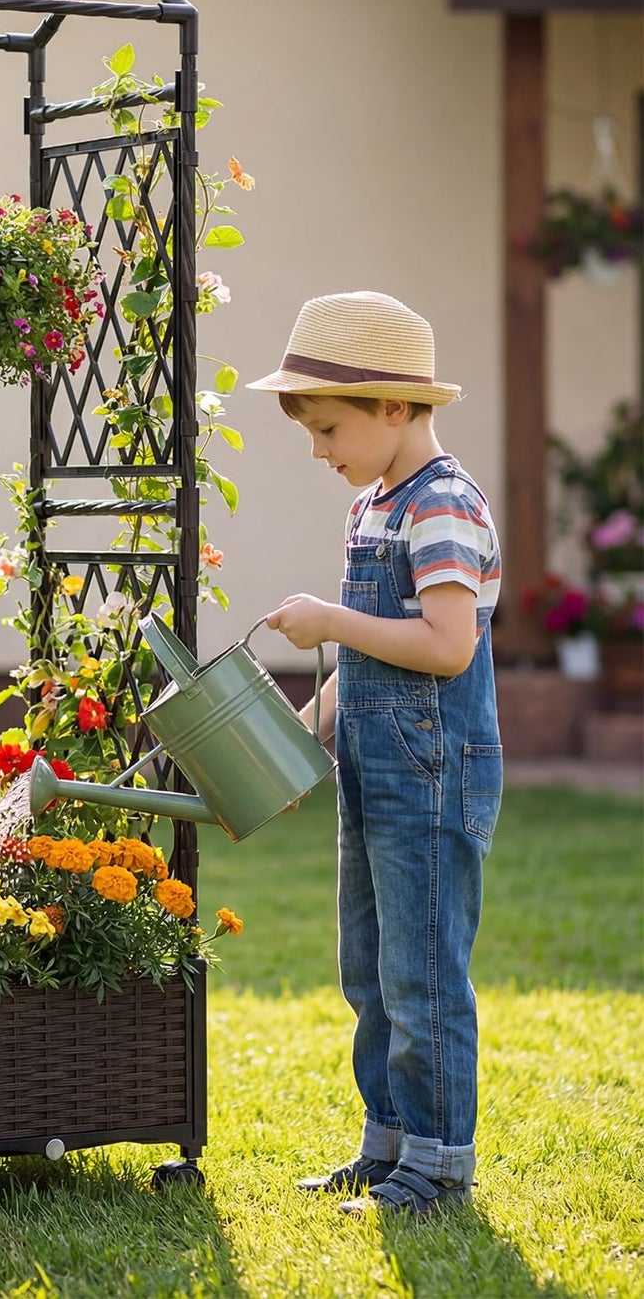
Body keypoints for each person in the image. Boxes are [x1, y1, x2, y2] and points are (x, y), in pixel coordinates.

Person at [247, 291, 503, 1218]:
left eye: (327, 428)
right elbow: (366, 656)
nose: (320, 451)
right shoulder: (375, 501)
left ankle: (436, 1165)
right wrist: (304, 730)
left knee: (423, 971)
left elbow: (444, 645)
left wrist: (326, 616)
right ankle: (387, 1143)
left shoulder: (443, 506)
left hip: (434, 773)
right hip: (374, 767)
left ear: (394, 406)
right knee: (369, 967)